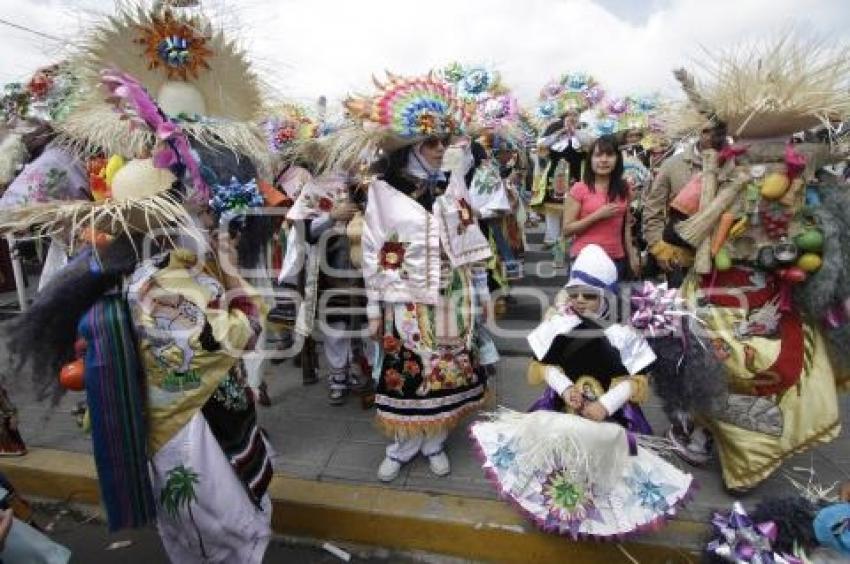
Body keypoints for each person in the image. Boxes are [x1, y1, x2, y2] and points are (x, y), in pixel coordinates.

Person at [469, 244, 694, 539]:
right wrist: (564, 389)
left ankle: (597, 517)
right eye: (574, 295)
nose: (580, 302)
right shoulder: (559, 323)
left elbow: (637, 380)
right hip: (562, 406)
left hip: (611, 416)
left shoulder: (623, 332)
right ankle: (560, 510)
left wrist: (606, 405)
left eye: (589, 295)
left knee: (604, 469)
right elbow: (542, 366)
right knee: (557, 465)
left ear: (606, 295)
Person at [334, 72, 493, 482]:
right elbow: (373, 253)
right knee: (408, 371)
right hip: (404, 300)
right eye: (432, 143)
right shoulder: (385, 193)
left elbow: (469, 240)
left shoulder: (454, 186)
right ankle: (403, 446)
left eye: (445, 141)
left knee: (447, 368)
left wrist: (480, 290)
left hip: (451, 296)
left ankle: (435, 441)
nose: (441, 150)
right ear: (410, 147)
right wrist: (373, 309)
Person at [641, 121, 728, 286]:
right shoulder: (672, 165)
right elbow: (653, 210)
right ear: (698, 132)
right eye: (706, 131)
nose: (712, 136)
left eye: (717, 131)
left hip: (724, 256)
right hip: (679, 255)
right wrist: (659, 248)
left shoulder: (735, 163)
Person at [562, 135, 638, 280]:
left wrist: (632, 256)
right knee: (585, 301)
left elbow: (626, 226)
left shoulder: (624, 188)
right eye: (598, 155)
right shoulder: (579, 189)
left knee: (613, 301)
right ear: (590, 159)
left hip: (616, 259)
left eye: (609, 155)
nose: (603, 160)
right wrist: (597, 216)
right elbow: (567, 230)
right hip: (585, 259)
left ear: (617, 159)